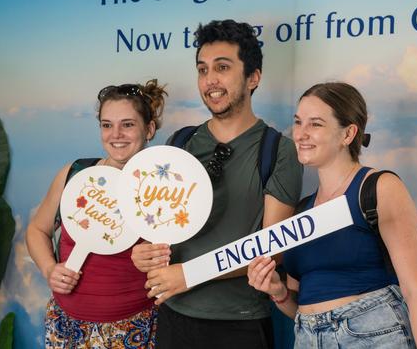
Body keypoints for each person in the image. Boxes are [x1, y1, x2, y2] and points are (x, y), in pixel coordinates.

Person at [248, 82, 417, 348]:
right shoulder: (300, 212)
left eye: (315, 124)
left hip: (377, 337)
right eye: (298, 122)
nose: (300, 134)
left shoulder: (379, 189)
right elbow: (303, 307)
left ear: (348, 134)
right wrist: (278, 293)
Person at [130, 20, 303, 348]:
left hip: (238, 323)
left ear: (253, 77)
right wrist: (145, 254)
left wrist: (189, 273)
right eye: (202, 69)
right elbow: (160, 229)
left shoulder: (278, 150)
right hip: (173, 315)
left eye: (222, 67)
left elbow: (273, 249)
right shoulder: (179, 143)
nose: (210, 80)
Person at [26, 79, 167, 348]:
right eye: (106, 125)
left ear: (148, 129)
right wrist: (48, 268)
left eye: (127, 124)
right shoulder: (74, 174)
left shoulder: (162, 190)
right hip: (66, 327)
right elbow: (36, 230)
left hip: (134, 329)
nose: (116, 134)